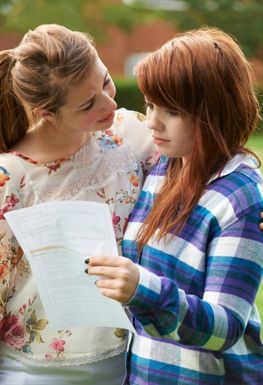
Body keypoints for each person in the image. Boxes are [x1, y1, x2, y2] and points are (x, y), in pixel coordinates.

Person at [87, 28, 263, 384]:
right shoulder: (163, 164)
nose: (152, 121)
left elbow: (226, 326)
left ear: (215, 111)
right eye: (150, 104)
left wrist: (142, 288)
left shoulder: (239, 198)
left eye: (172, 110)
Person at [0, 24, 158, 385]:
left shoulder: (129, 134)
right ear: (46, 112)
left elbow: (204, 168)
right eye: (88, 104)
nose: (110, 104)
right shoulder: (10, 178)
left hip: (128, 359)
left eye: (104, 81)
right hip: (37, 371)